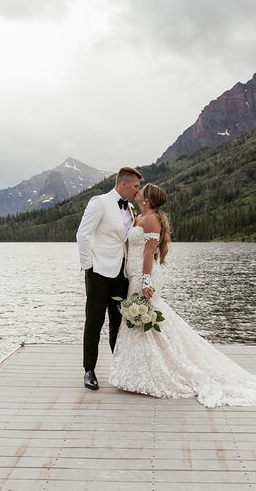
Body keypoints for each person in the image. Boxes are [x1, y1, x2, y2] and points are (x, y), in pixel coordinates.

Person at [109, 183, 256, 408]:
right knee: (141, 322)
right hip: (133, 274)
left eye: (141, 190)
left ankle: (161, 372)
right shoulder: (138, 217)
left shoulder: (151, 219)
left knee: (148, 320)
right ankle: (139, 372)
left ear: (148, 199)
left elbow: (149, 252)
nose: (138, 191)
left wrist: (146, 280)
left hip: (144, 276)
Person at [76, 166, 143, 390]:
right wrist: (88, 266)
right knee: (94, 322)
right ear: (123, 183)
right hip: (98, 272)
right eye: (135, 186)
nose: (137, 190)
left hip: (120, 274)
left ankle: (120, 369)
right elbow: (82, 234)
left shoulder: (131, 209)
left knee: (118, 323)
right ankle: (89, 370)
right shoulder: (99, 202)